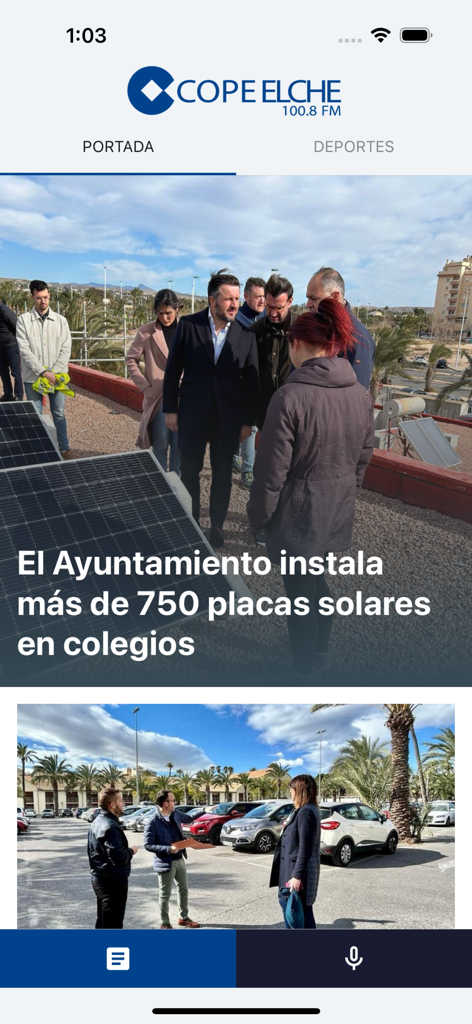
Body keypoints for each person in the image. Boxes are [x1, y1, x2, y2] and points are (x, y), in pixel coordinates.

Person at [247, 300, 374, 678]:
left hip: (298, 513)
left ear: (300, 343)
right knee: (315, 580)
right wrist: (346, 493)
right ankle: (320, 651)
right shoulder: (360, 394)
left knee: (300, 595)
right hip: (335, 507)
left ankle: (303, 671)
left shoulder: (290, 397)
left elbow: (271, 472)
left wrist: (259, 516)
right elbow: (363, 457)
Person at [163, 269, 258, 549]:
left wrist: (246, 422)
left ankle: (216, 525)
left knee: (221, 475)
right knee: (189, 472)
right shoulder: (188, 325)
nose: (234, 304)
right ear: (212, 300)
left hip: (227, 418)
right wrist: (171, 409)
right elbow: (173, 370)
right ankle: (192, 523)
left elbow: (251, 383)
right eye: (228, 299)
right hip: (192, 413)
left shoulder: (246, 335)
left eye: (237, 299)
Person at [126, 288, 181, 475]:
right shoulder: (146, 331)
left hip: (184, 395)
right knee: (160, 444)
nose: (165, 317)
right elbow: (131, 359)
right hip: (159, 397)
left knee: (179, 446)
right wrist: (146, 387)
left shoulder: (186, 329)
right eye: (161, 313)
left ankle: (177, 488)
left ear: (177, 309)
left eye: (169, 313)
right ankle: (159, 487)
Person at [16, 280, 73, 458]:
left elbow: (66, 348)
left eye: (46, 297)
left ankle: (64, 449)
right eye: (39, 298)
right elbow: (24, 350)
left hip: (57, 378)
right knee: (36, 415)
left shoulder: (61, 321)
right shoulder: (23, 321)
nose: (43, 301)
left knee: (58, 414)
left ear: (49, 295)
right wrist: (43, 372)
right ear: (32, 297)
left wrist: (53, 373)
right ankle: (38, 451)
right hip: (32, 378)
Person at [306, 267, 375, 387]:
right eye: (308, 298)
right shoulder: (318, 327)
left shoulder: (358, 338)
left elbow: (355, 396)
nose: (308, 305)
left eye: (314, 298)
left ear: (335, 297)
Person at [269, 774, 321, 929]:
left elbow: (305, 849)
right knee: (301, 915)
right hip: (292, 873)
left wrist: (297, 877)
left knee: (296, 916)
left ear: (299, 790)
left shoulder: (305, 812)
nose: (290, 792)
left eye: (291, 788)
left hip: (295, 875)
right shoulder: (304, 810)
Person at [143, 789, 200, 930]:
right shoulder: (153, 821)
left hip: (180, 858)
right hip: (165, 862)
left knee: (183, 890)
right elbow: (148, 845)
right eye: (173, 800)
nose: (175, 802)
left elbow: (189, 818)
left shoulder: (175, 814)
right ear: (165, 803)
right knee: (165, 894)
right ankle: (165, 923)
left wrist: (206, 810)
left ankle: (184, 917)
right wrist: (168, 849)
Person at [87, 786, 138, 929]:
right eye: (121, 801)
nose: (124, 804)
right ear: (112, 805)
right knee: (113, 924)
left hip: (100, 879)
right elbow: (118, 857)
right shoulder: (110, 826)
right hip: (112, 883)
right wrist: (131, 851)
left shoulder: (97, 821)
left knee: (103, 921)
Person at [234, 276, 266, 488]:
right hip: (238, 382)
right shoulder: (235, 321)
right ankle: (236, 459)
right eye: (258, 296)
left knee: (251, 427)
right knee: (239, 425)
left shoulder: (267, 318)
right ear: (246, 297)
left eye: (264, 296)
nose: (262, 301)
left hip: (260, 383)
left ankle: (247, 469)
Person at [253, 274, 296, 430]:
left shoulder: (302, 330)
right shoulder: (254, 332)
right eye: (269, 307)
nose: (272, 313)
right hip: (264, 416)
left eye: (279, 308)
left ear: (290, 302)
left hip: (295, 415)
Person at [0, 298, 23, 402]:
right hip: (1, 348)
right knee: (3, 372)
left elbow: (17, 328)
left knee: (16, 372)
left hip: (11, 346)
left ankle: (19, 395)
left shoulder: (6, 311)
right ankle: (8, 394)